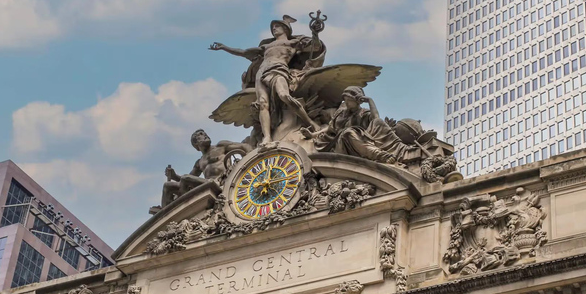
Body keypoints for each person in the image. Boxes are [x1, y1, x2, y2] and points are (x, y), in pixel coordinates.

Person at [210, 15, 322, 143]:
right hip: (261, 73)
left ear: (285, 29)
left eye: (277, 26)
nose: (274, 29)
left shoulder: (293, 43)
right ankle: (267, 136)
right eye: (272, 27)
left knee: (284, 95)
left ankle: (310, 122)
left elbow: (316, 47)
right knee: (263, 104)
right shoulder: (266, 46)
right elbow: (244, 52)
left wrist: (315, 33)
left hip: (278, 70)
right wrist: (225, 47)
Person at [303, 86, 416, 164]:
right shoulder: (340, 113)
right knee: (347, 132)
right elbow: (329, 129)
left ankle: (400, 150)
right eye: (345, 100)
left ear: (357, 100)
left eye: (349, 100)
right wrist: (312, 135)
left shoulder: (364, 113)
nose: (346, 103)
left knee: (378, 122)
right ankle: (378, 155)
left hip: (361, 142)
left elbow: (375, 119)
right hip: (341, 145)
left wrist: (370, 101)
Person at [158, 129, 251, 210]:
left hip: (221, 182)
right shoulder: (199, 162)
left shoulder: (220, 146)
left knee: (185, 179)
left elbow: (244, 146)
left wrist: (253, 160)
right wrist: (174, 176)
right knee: (167, 186)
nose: (205, 135)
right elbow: (191, 178)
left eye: (204, 133)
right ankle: (164, 215)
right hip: (207, 183)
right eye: (200, 135)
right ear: (196, 144)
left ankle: (182, 205)